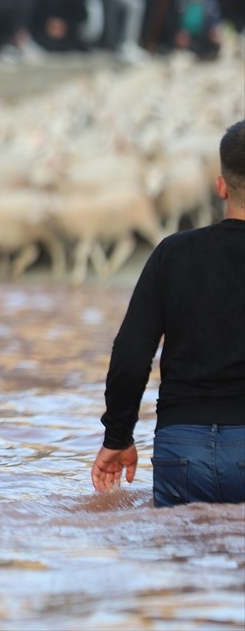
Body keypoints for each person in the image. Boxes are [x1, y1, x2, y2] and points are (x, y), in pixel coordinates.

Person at [91, 120, 245, 508]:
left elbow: (131, 353)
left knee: (183, 560)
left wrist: (118, 437)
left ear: (221, 186)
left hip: (181, 447)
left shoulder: (172, 253)